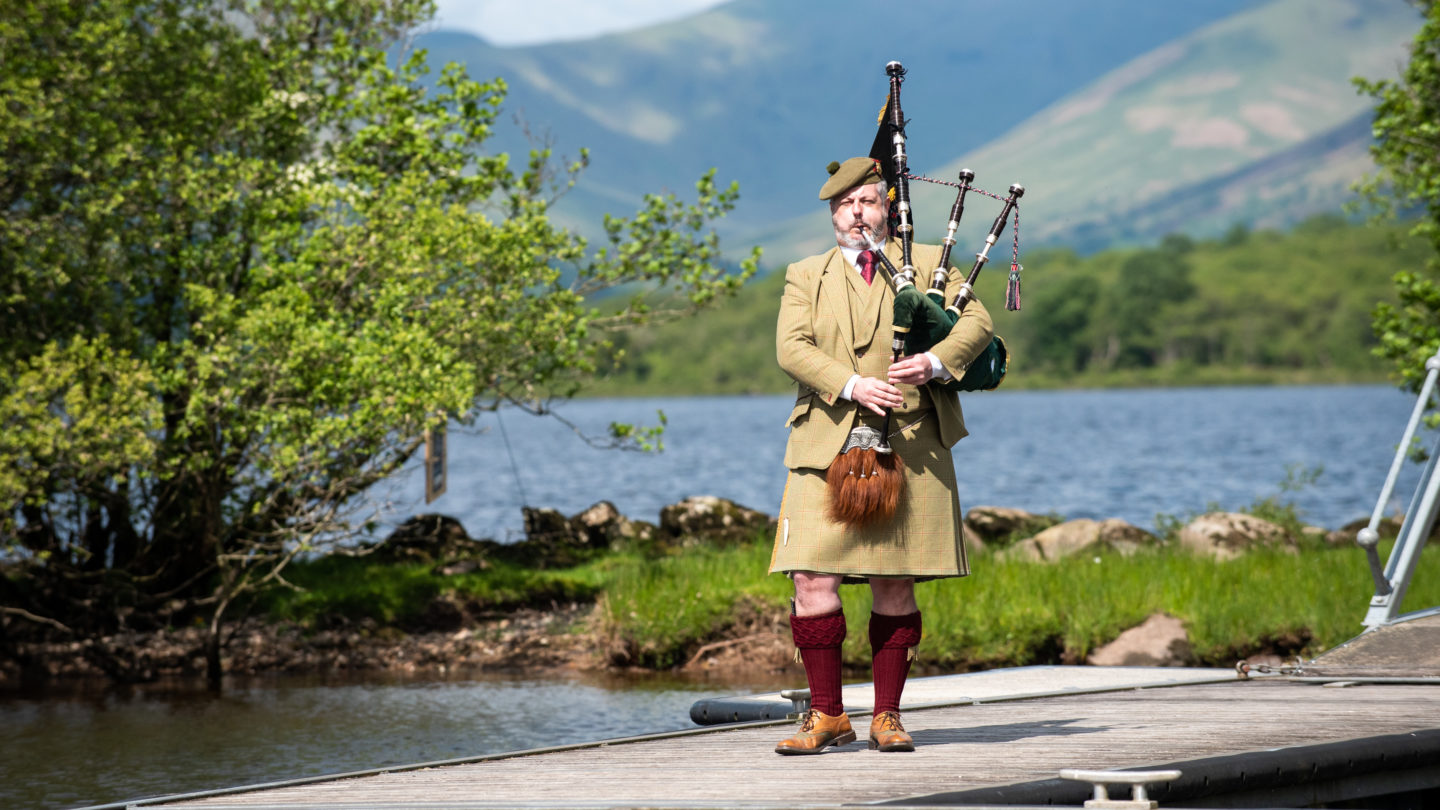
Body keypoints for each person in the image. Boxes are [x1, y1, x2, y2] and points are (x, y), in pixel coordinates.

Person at [770, 156, 993, 755]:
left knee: (895, 581)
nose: (854, 214)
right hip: (827, 440)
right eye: (842, 206)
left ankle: (887, 717)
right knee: (812, 578)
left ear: (887, 208)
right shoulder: (805, 274)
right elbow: (790, 348)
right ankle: (826, 715)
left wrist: (936, 361)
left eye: (865, 202)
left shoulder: (927, 265)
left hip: (912, 441)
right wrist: (850, 383)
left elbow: (979, 325)